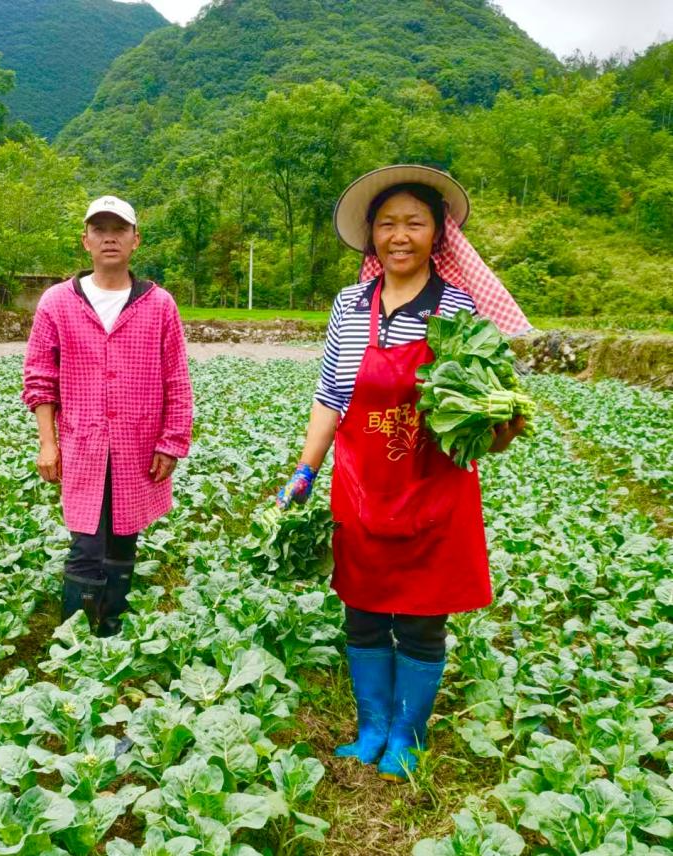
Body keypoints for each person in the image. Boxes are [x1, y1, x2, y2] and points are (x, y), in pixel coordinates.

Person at [277, 165, 530, 781]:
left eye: (414, 222)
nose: (399, 235)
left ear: (437, 234)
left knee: (421, 621)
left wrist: (501, 427)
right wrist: (305, 472)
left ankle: (408, 736)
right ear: (371, 237)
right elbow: (332, 397)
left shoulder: (460, 309)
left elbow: (483, 418)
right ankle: (372, 727)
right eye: (387, 224)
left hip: (434, 489)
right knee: (362, 612)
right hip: (361, 487)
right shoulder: (349, 305)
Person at [22, 195, 193, 637]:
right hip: (83, 443)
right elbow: (40, 378)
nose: (109, 237)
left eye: (119, 229)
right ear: (86, 241)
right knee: (86, 545)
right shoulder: (58, 302)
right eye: (100, 230)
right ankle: (74, 640)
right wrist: (48, 441)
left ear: (136, 240)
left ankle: (111, 627)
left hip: (138, 446)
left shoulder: (159, 305)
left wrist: (172, 443)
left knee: (124, 537)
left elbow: (177, 380)